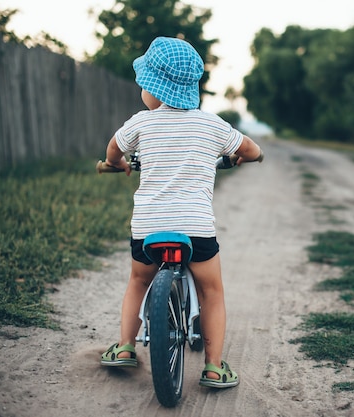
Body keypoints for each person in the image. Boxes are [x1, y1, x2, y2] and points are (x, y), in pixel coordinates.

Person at [99, 36, 263, 389]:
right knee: (212, 292)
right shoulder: (212, 124)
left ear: (154, 88)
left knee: (139, 280)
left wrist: (117, 162)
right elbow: (251, 149)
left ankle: (126, 346)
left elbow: (114, 148)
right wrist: (240, 157)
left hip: (149, 228)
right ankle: (215, 366)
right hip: (196, 229)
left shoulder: (140, 122)